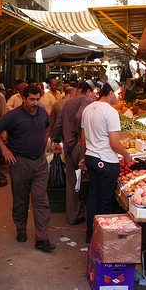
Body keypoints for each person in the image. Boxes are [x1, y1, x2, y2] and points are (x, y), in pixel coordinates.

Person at [0, 85, 55, 252]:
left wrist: (45, 141)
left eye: (37, 99)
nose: (35, 103)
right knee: (21, 199)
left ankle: (42, 238)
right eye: (31, 99)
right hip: (20, 163)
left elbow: (48, 124)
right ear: (23, 98)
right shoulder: (13, 116)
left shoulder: (42, 112)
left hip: (39, 163)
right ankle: (21, 229)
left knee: (41, 201)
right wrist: (4, 149)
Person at [79, 80, 131, 244]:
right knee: (106, 200)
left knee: (93, 197)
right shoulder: (111, 112)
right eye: (119, 94)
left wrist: (84, 157)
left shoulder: (88, 109)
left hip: (91, 157)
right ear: (110, 93)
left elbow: (83, 137)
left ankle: (91, 236)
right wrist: (127, 156)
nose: (120, 97)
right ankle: (104, 239)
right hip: (106, 161)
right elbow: (114, 143)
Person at [51, 81, 99, 225]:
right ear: (89, 91)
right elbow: (79, 117)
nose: (97, 96)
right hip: (80, 145)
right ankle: (90, 219)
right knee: (86, 181)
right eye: (96, 93)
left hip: (68, 146)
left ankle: (73, 216)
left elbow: (58, 123)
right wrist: (79, 133)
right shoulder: (87, 100)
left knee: (72, 181)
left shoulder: (69, 102)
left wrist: (56, 140)